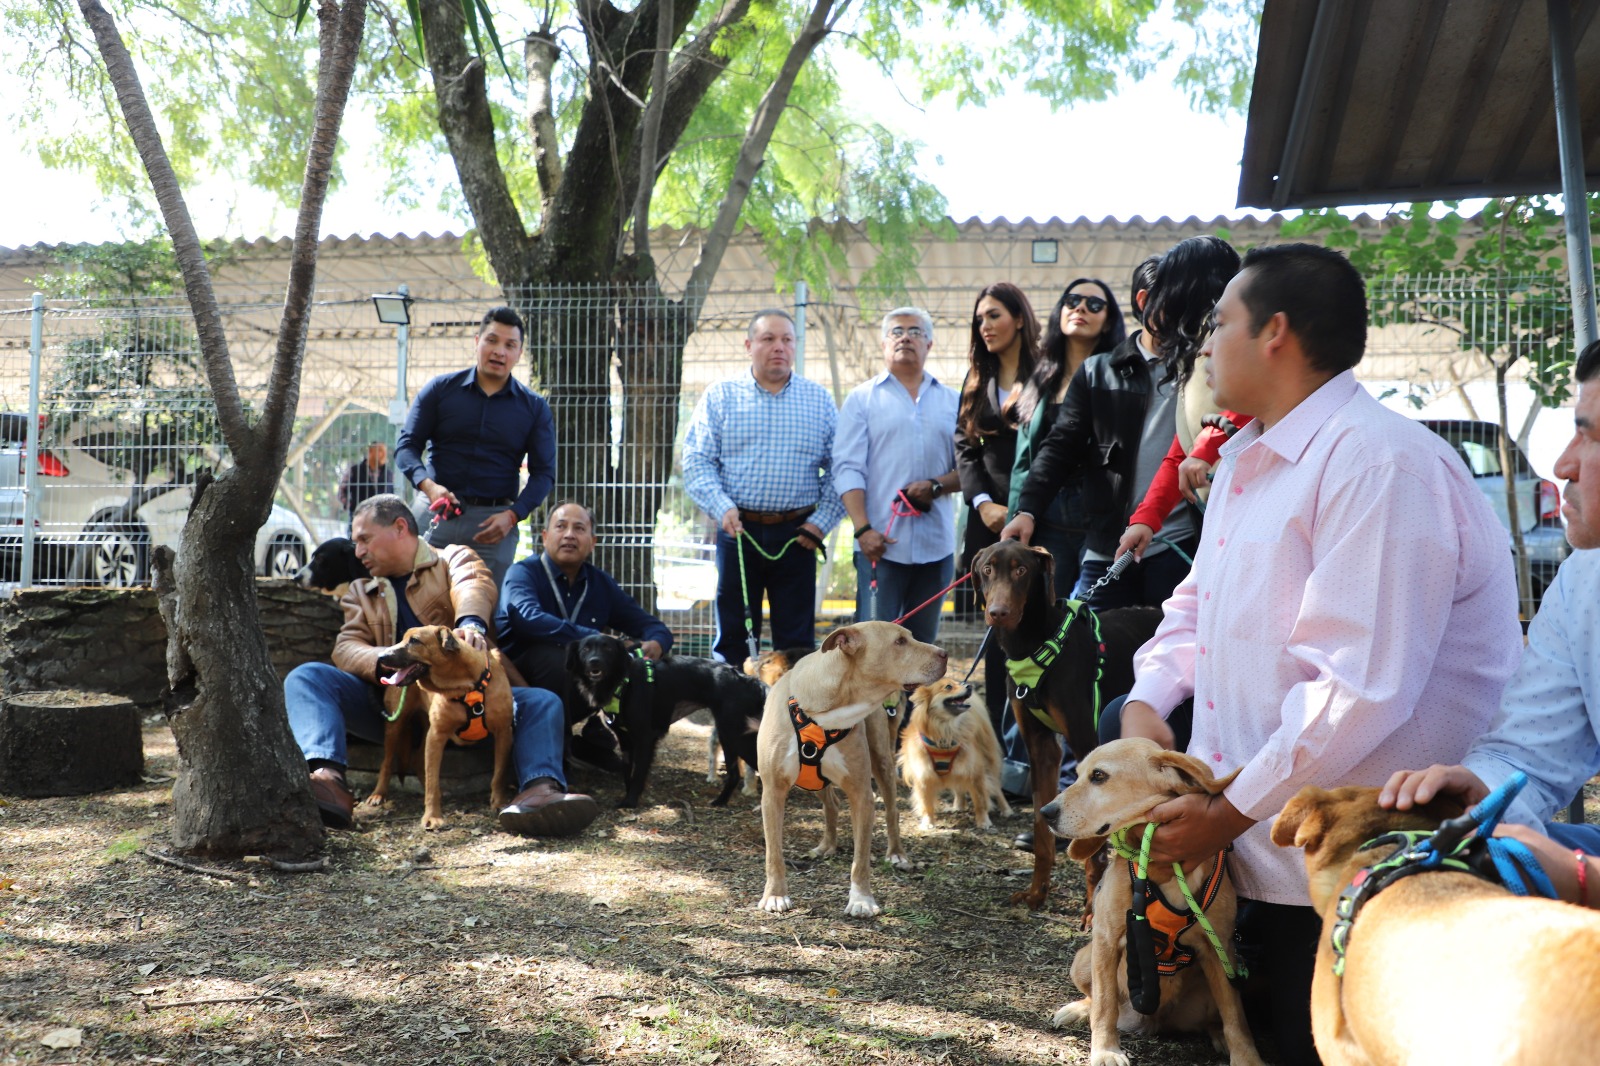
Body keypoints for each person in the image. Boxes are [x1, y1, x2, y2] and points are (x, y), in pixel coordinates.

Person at [1110, 244, 1521, 1065]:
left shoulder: (1381, 464)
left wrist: (1226, 815)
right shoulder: (1241, 463)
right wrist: (1147, 704)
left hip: (1362, 874)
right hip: (1260, 859)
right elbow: (1196, 607)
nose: (1202, 342)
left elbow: (1357, 690)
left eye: (1220, 321)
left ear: (1277, 334)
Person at [1379, 337, 1600, 907]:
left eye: (1591, 435)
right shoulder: (1584, 580)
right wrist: (1477, 791)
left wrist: (1584, 880)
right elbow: (1528, 752)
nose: (1562, 464)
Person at [282, 493, 598, 838]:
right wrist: (393, 659)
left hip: (477, 704)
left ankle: (540, 789)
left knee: (542, 702)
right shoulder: (360, 590)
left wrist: (471, 624)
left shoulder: (454, 558)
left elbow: (474, 585)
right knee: (306, 678)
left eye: (364, 539)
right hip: (392, 706)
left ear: (400, 528)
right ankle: (327, 780)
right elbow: (346, 647)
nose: (357, 551)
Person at [1001, 240, 1222, 609]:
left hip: (1180, 541)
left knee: (1168, 652)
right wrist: (1027, 510)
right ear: (1143, 301)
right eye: (1174, 300)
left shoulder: (1201, 366)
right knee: (1097, 652)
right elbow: (1060, 446)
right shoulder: (1098, 371)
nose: (1186, 312)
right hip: (1109, 543)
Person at [682, 309, 844, 665]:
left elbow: (841, 469)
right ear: (748, 345)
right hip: (737, 531)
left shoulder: (819, 401)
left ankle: (796, 714)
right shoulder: (721, 396)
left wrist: (822, 523)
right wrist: (722, 506)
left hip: (799, 535)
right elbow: (696, 461)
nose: (778, 347)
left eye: (787, 339)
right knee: (734, 636)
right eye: (768, 338)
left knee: (798, 640)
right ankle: (735, 717)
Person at [395, 306, 556, 589]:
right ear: (476, 341)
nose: (499, 351)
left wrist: (513, 515)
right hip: (435, 508)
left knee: (484, 612)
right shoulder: (439, 390)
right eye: (492, 340)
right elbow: (407, 446)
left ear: (519, 353)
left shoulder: (534, 408)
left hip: (494, 524)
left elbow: (544, 474)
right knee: (409, 592)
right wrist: (429, 486)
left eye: (510, 345)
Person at [1114, 237, 1246, 563]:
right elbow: (1183, 447)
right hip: (1217, 511)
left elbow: (1252, 403)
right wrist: (1147, 518)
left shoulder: (1232, 335)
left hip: (1247, 508)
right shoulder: (1194, 345)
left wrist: (1203, 451)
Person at [834, 307, 960, 644]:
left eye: (915, 331)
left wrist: (936, 486)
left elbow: (970, 470)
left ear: (929, 344)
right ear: (883, 343)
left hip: (937, 549)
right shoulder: (861, 399)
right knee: (874, 646)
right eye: (897, 331)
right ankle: (878, 701)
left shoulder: (954, 401)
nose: (906, 337)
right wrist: (862, 529)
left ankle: (911, 700)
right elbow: (847, 468)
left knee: (922, 647)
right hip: (879, 548)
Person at [1009, 275, 1131, 594]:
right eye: (1071, 301)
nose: (1080, 309)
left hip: (1100, 514)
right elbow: (1026, 460)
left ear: (1107, 322)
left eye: (1094, 305)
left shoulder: (1122, 377)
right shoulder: (1038, 380)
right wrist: (1021, 511)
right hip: (1045, 513)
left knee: (1090, 615)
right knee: (1045, 612)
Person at [496, 501, 673, 694]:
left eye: (579, 528)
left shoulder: (600, 584)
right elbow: (529, 619)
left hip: (579, 676)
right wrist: (593, 638)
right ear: (545, 537)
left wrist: (657, 643)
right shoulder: (523, 573)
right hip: (517, 676)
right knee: (554, 659)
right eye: (561, 526)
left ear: (592, 543)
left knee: (636, 667)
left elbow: (652, 625)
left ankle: (613, 723)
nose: (569, 535)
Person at [336, 441, 392, 533]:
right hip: (358, 518)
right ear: (371, 452)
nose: (384, 455)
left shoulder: (389, 474)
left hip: (381, 520)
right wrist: (351, 506)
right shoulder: (354, 471)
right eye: (380, 451)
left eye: (385, 451)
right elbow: (342, 490)